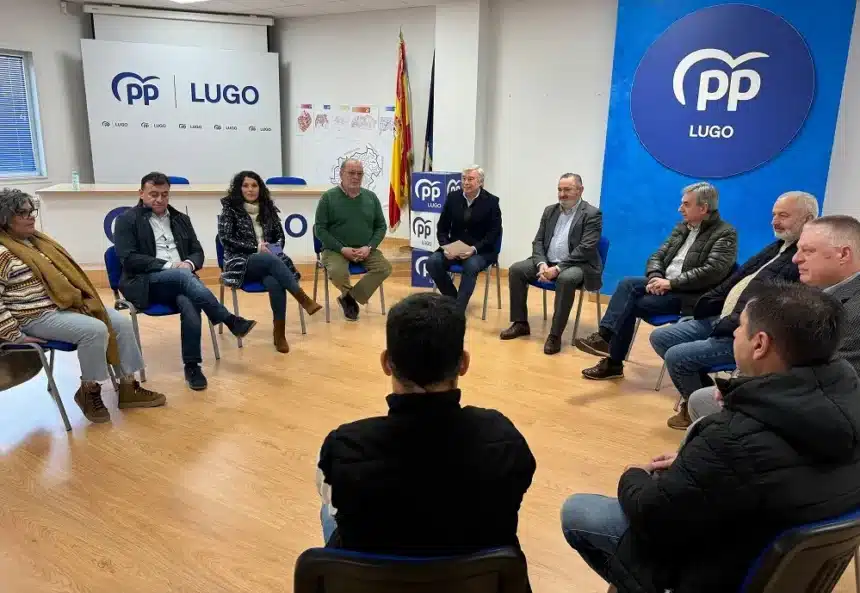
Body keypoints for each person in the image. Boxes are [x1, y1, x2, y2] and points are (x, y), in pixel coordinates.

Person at [561, 283, 860, 593]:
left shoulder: (731, 438)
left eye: (740, 327)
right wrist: (697, 467)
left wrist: (633, 474)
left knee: (578, 511)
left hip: (715, 571)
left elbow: (652, 515)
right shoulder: (848, 401)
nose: (735, 333)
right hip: (782, 564)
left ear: (759, 344)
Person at [316, 293, 536, 558]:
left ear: (386, 363)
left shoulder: (343, 448)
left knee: (329, 514)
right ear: (463, 363)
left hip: (378, 577)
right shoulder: (505, 439)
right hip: (481, 576)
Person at [649, 191, 818, 429]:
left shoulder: (804, 261)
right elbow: (735, 280)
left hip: (745, 335)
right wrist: (707, 303)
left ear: (808, 219)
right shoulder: (778, 247)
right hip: (722, 320)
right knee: (661, 337)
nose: (774, 221)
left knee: (677, 357)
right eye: (774, 215)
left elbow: (775, 313)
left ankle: (709, 413)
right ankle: (710, 397)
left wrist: (732, 324)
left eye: (783, 215)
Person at [0, 189, 166, 423]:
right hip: (34, 316)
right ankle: (89, 391)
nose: (31, 217)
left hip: (65, 306)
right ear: (5, 219)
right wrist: (14, 335)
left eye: (31, 211)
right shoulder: (3, 253)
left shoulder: (38, 242)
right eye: (23, 213)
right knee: (94, 330)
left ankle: (129, 386)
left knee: (120, 323)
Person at [687, 214, 860, 423]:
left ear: (843, 254)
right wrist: (739, 381)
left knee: (701, 403)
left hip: (817, 413)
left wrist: (743, 389)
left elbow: (831, 383)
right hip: (785, 389)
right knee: (701, 403)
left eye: (808, 251)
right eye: (798, 250)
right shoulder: (816, 287)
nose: (796, 259)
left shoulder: (854, 311)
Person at [575, 182, 737, 379]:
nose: (680, 209)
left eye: (686, 204)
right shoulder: (682, 228)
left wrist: (671, 284)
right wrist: (656, 277)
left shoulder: (726, 233)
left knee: (629, 304)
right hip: (666, 285)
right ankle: (605, 339)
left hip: (691, 296)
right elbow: (657, 256)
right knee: (627, 284)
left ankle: (612, 358)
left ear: (703, 208)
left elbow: (712, 272)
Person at [114, 172, 256, 391]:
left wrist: (188, 264)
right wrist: (170, 266)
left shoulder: (180, 219)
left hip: (182, 280)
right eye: (153, 194)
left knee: (189, 301)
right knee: (183, 278)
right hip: (144, 282)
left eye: (164, 194)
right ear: (141, 193)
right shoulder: (127, 220)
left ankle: (192, 366)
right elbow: (129, 258)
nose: (159, 199)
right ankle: (228, 319)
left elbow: (197, 252)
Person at [219, 171, 322, 354]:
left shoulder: (268, 208)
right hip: (241, 262)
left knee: (275, 281)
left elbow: (280, 237)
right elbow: (226, 239)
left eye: (254, 185)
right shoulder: (230, 210)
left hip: (269, 260)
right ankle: (303, 299)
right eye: (245, 186)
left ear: (260, 188)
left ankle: (279, 333)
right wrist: (256, 248)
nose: (250, 189)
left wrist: (273, 248)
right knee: (269, 259)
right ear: (238, 189)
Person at [500, 173, 602, 354]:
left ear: (580, 190)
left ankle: (555, 335)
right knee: (516, 270)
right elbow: (538, 241)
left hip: (579, 265)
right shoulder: (550, 211)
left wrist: (558, 268)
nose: (562, 194)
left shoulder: (592, 214)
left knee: (566, 279)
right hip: (548, 262)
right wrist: (541, 264)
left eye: (567, 189)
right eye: (560, 189)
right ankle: (520, 323)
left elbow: (586, 249)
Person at [313, 159, 391, 321]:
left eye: (359, 174)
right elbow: (319, 229)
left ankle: (349, 298)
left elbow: (381, 226)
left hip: (365, 249)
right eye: (351, 173)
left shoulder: (371, 197)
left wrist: (369, 247)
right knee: (337, 271)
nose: (356, 177)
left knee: (384, 268)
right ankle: (349, 299)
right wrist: (342, 249)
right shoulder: (328, 198)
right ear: (341, 174)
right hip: (335, 250)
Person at [426, 166, 503, 313]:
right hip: (455, 248)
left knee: (471, 265)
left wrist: (474, 249)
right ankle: (453, 299)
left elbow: (493, 234)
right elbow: (442, 227)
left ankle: (458, 311)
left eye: (470, 179)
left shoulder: (491, 202)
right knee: (432, 262)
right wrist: (446, 246)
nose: (466, 183)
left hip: (480, 250)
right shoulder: (453, 197)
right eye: (464, 179)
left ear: (480, 182)